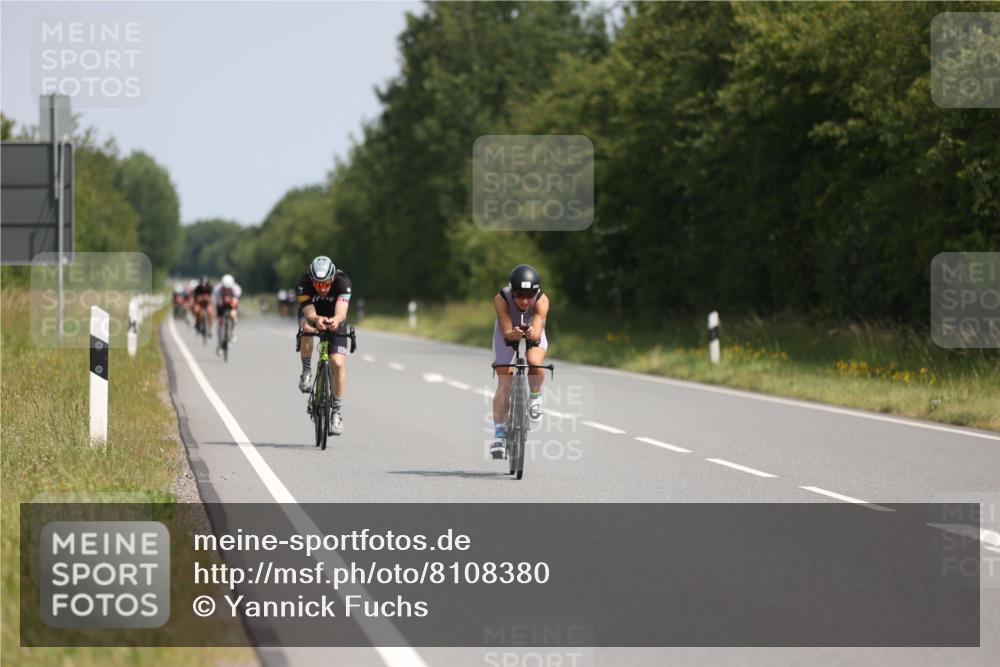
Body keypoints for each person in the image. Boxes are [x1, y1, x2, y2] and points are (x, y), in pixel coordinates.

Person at [491, 264, 550, 459]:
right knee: (505, 381)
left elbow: (538, 330)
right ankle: (499, 435)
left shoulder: (542, 300)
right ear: (512, 290)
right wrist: (512, 334)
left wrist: (533, 333)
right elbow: (506, 328)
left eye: (529, 295)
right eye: (520, 295)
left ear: (536, 292)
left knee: (534, 361)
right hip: (507, 331)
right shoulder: (501, 298)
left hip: (533, 329)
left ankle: (535, 395)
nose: (525, 301)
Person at [295, 255, 353, 436]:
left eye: (326, 284)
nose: (321, 288)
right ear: (311, 279)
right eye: (317, 284)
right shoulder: (303, 283)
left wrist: (335, 320)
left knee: (337, 363)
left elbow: (341, 312)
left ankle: (336, 413)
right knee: (306, 329)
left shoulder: (342, 283)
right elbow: (309, 312)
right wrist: (316, 319)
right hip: (312, 314)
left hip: (335, 316)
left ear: (332, 278)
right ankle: (306, 371)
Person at [212, 273, 242, 352]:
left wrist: (231, 302)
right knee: (220, 322)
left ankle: (231, 332)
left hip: (231, 304)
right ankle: (219, 343)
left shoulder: (236, 289)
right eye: (225, 288)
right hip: (221, 305)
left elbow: (236, 301)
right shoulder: (217, 289)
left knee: (234, 315)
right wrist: (221, 302)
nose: (227, 290)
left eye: (228, 288)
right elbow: (217, 302)